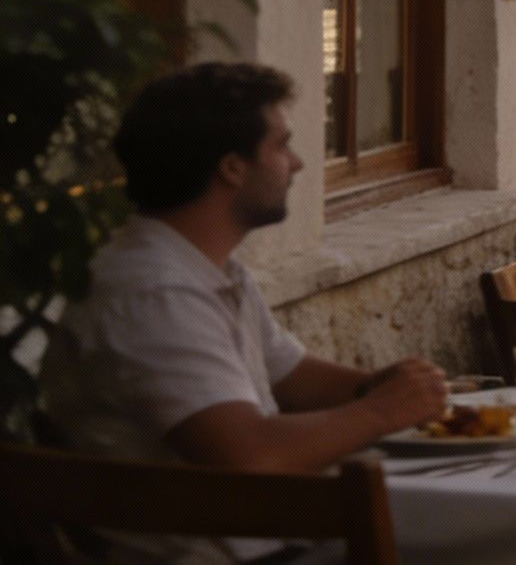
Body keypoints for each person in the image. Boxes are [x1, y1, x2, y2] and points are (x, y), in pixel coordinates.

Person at [40, 63, 449, 560]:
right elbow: (249, 455)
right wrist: (383, 410)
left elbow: (290, 373)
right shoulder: (154, 293)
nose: (296, 164)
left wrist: (383, 385)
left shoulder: (203, 267)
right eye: (281, 145)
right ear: (232, 167)